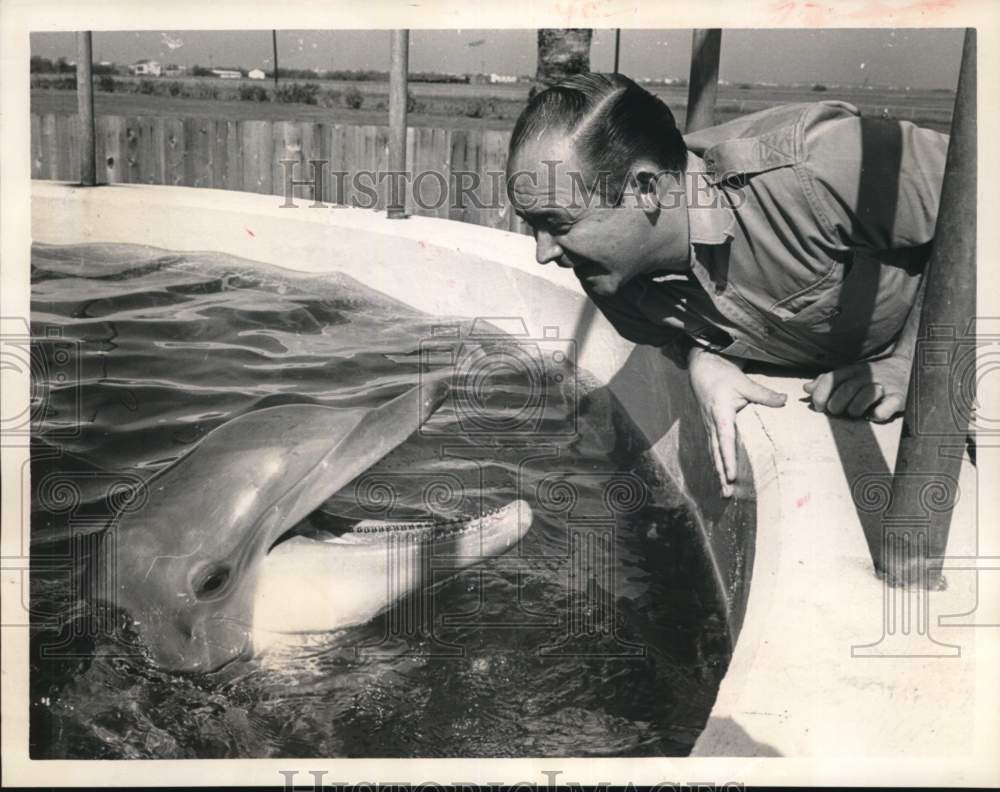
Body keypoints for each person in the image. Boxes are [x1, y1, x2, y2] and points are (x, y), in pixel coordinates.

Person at [505, 72, 948, 496]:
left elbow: (983, 195)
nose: (544, 252)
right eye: (532, 225)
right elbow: (673, 333)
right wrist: (701, 356)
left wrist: (917, 361)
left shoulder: (811, 165)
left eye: (557, 222)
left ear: (645, 188)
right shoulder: (611, 281)